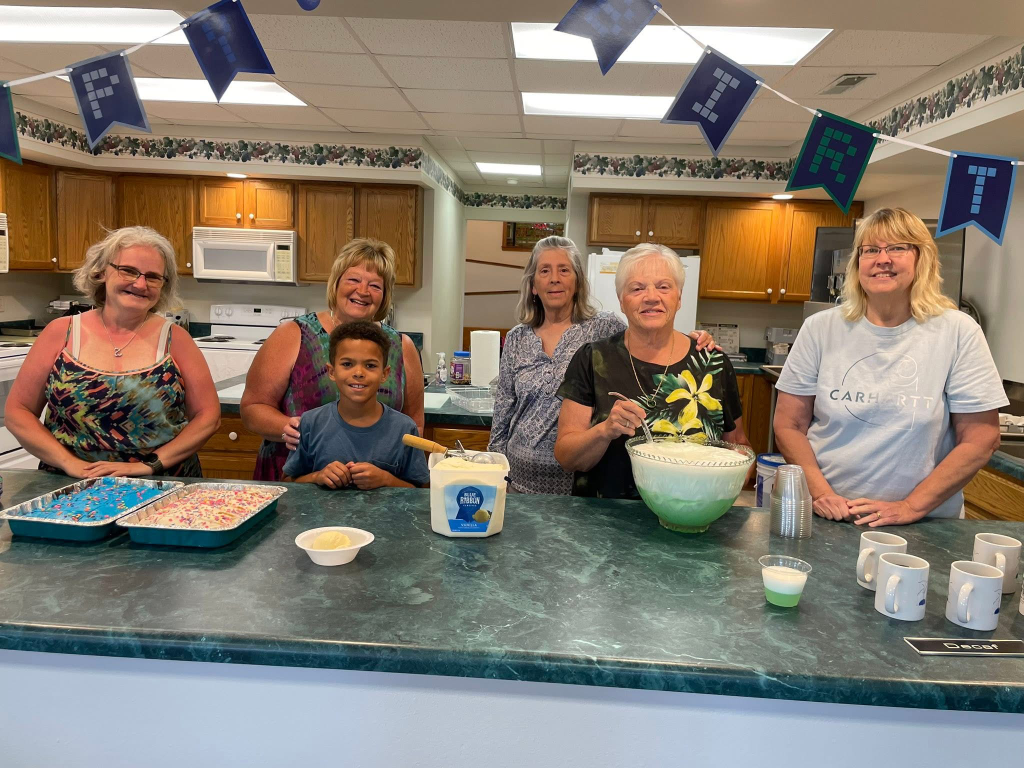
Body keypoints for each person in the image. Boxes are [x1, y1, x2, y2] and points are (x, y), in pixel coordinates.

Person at [773, 207, 1006, 526]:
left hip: (924, 523)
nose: (882, 259)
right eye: (870, 250)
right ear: (857, 263)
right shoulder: (820, 329)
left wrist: (911, 506)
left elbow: (982, 437)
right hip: (830, 516)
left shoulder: (957, 332)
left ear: (922, 258)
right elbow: (789, 425)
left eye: (897, 248)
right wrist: (821, 494)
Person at [488, 236, 717, 494]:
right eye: (544, 271)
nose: (554, 279)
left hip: (579, 482)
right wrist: (497, 472)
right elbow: (503, 409)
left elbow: (650, 338)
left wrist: (694, 341)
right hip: (518, 481)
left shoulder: (604, 327)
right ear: (533, 285)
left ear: (577, 282)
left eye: (564, 270)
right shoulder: (517, 337)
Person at [4, 227, 220, 477]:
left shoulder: (176, 339)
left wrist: (149, 465)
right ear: (101, 272)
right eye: (128, 270)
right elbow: (18, 411)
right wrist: (68, 463)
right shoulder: (61, 333)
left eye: (153, 277)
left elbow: (208, 417)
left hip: (163, 484)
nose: (140, 284)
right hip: (71, 484)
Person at [554, 243, 749, 499]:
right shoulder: (592, 359)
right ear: (621, 301)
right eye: (637, 288)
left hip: (692, 513)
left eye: (663, 286)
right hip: (605, 518)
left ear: (679, 298)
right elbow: (567, 457)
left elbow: (739, 448)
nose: (651, 297)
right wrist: (604, 430)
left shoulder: (713, 363)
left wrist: (726, 483)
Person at [241, 238, 425, 481]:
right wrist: (294, 431)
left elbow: (414, 425)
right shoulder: (293, 334)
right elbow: (253, 407)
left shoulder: (401, 346)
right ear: (336, 283)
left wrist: (391, 480)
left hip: (379, 486)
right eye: (353, 280)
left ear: (385, 295)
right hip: (297, 479)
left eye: (375, 285)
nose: (363, 291)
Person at [283, 322, 429, 489]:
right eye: (347, 364)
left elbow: (421, 491)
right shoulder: (311, 423)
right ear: (332, 371)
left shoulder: (404, 429)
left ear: (384, 374)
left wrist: (386, 480)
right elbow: (287, 482)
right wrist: (318, 476)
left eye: (370, 365)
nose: (358, 373)